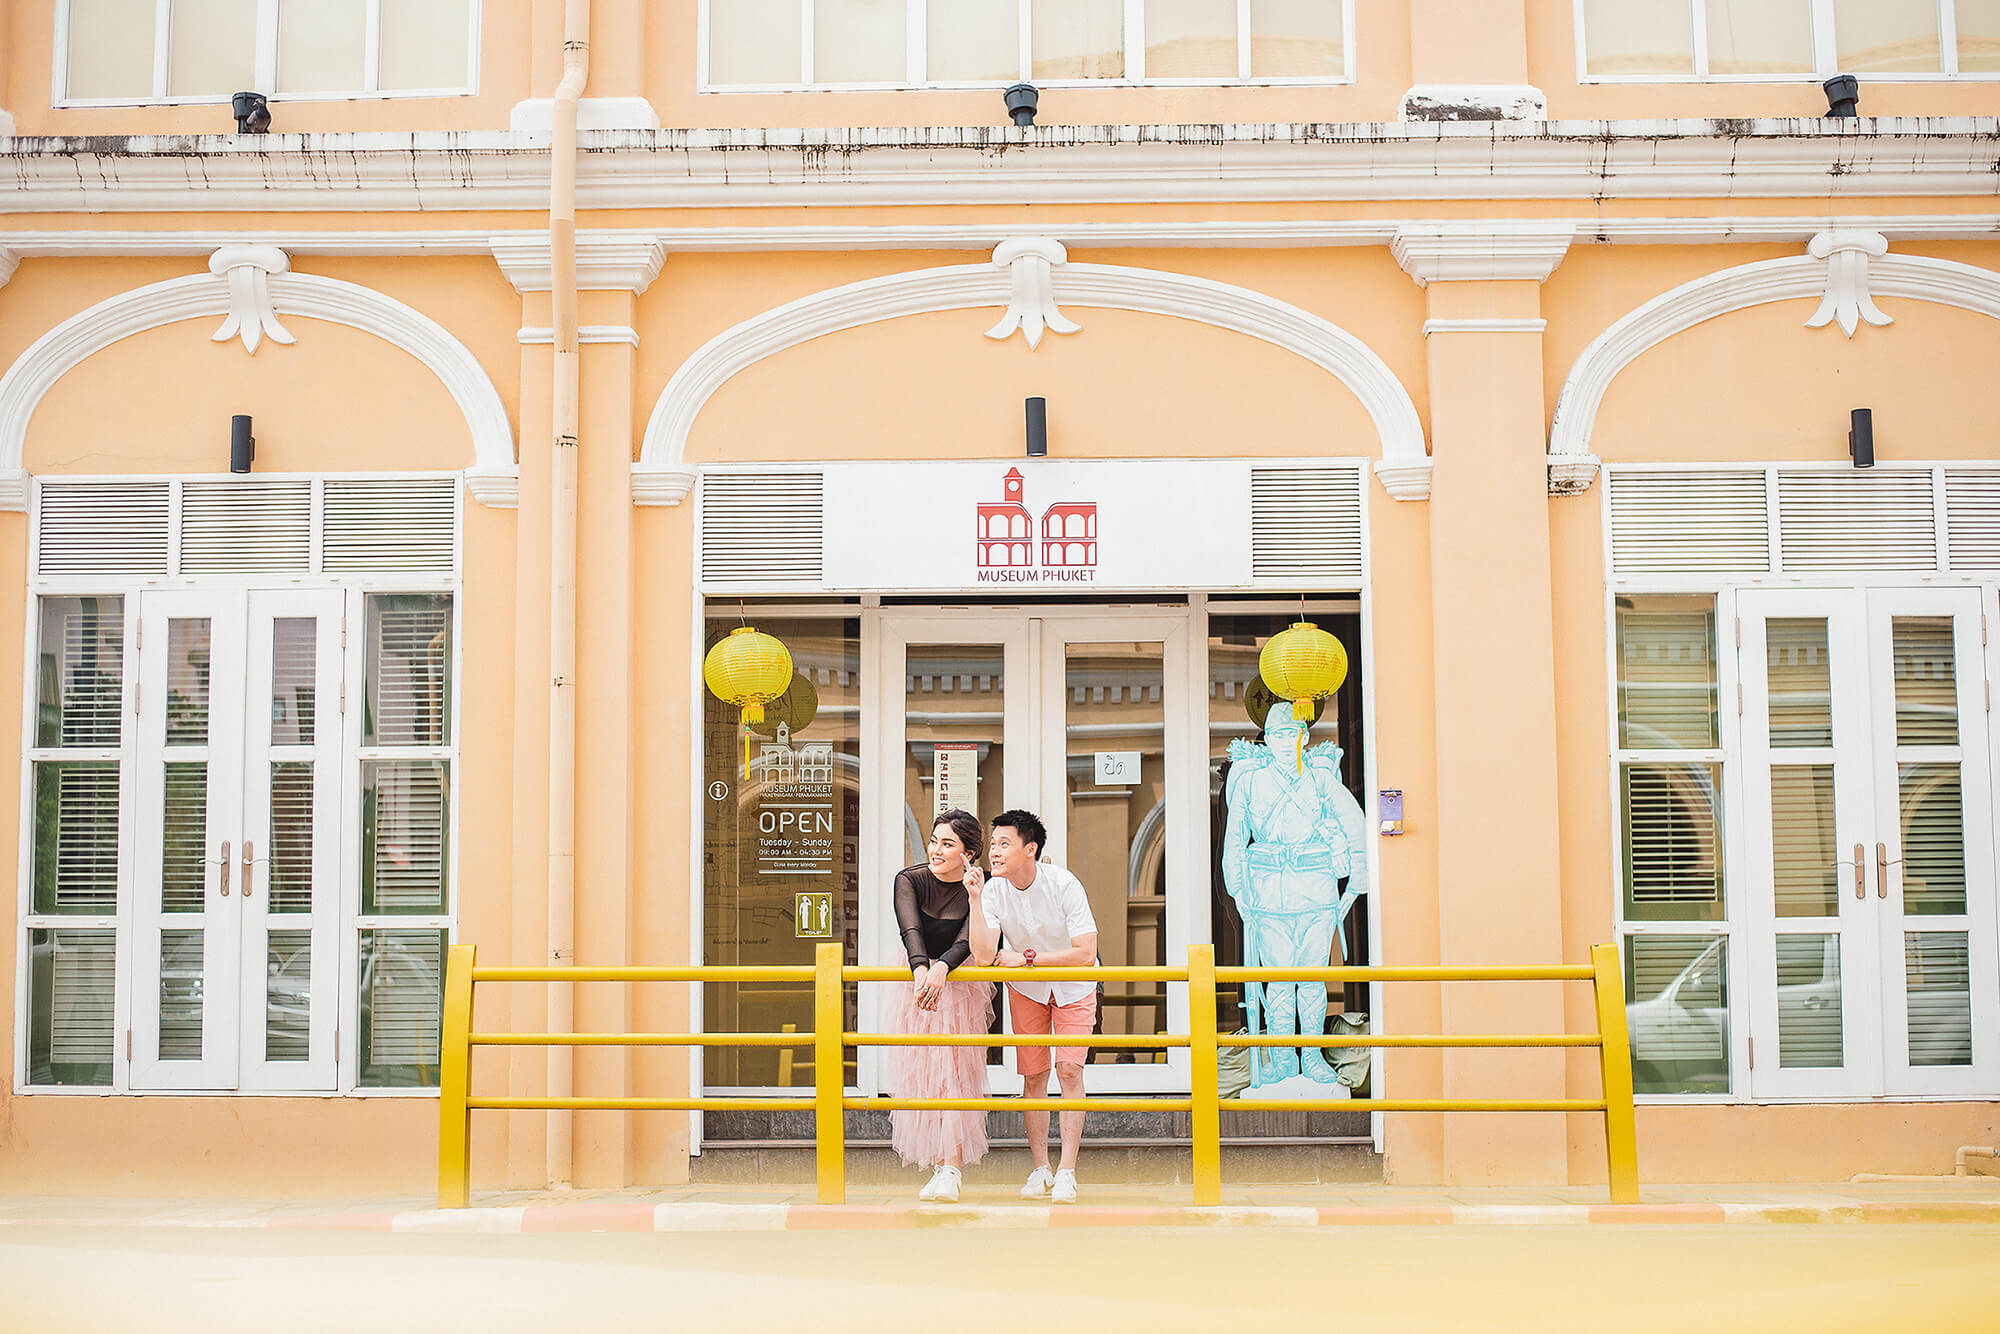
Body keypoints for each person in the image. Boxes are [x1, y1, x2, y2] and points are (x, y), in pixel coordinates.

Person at [1220, 700, 1370, 1087]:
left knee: (1313, 979)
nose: (1286, 741)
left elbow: (1354, 824)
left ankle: (1313, 1056)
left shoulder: (1321, 781)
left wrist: (1356, 881)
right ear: (1268, 741)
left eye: (1292, 733)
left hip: (1316, 889)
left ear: (1303, 738)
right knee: (1280, 981)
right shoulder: (1251, 781)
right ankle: (1284, 1059)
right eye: (1278, 735)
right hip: (1268, 892)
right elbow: (1234, 839)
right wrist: (1238, 891)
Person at [967, 809, 1098, 1204]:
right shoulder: (993, 890)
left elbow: (1086, 953)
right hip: (1027, 989)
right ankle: (1041, 1167)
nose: (995, 852)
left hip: (1074, 986)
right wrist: (974, 898)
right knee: (1035, 1076)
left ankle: (1068, 1172)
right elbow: (983, 955)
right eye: (993, 845)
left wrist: (1027, 958)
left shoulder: (1064, 883)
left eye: (1004, 844)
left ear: (1031, 849)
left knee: (1070, 1070)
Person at [887, 808, 996, 1203]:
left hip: (958, 984)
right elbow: (910, 928)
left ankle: (952, 1167)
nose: (936, 850)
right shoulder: (909, 879)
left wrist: (943, 968)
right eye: (934, 841)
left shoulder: (980, 887)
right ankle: (937, 1165)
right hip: (918, 979)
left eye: (947, 844)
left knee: (953, 1070)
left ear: (969, 852)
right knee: (923, 1073)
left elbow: (970, 941)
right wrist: (922, 970)